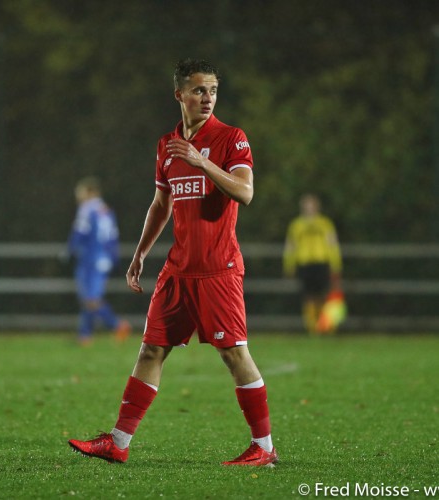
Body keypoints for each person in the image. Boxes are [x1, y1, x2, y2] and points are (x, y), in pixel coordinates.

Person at [68, 59, 278, 467]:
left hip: (218, 270)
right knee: (150, 350)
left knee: (234, 354)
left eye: (213, 90)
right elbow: (162, 203)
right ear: (179, 94)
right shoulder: (167, 145)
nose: (207, 98)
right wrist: (141, 252)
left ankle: (265, 448)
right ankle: (119, 442)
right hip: (178, 270)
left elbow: (246, 193)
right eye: (199, 90)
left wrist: (203, 163)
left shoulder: (231, 138)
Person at [67, 176, 131, 345]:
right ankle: (85, 335)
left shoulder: (87, 208)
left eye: (80, 191)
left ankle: (117, 325)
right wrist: (114, 259)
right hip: (105, 258)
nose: (78, 195)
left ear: (89, 192)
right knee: (90, 298)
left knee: (91, 299)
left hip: (90, 258)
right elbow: (112, 237)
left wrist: (69, 250)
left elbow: (80, 233)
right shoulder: (107, 210)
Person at [283, 193, 342, 334]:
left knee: (323, 295)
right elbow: (291, 246)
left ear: (317, 206)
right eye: (306, 205)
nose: (309, 208)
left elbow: (332, 244)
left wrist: (336, 265)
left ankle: (325, 326)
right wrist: (288, 265)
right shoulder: (296, 225)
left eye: (311, 205)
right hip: (304, 264)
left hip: (321, 263)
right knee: (308, 296)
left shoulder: (325, 224)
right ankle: (312, 327)